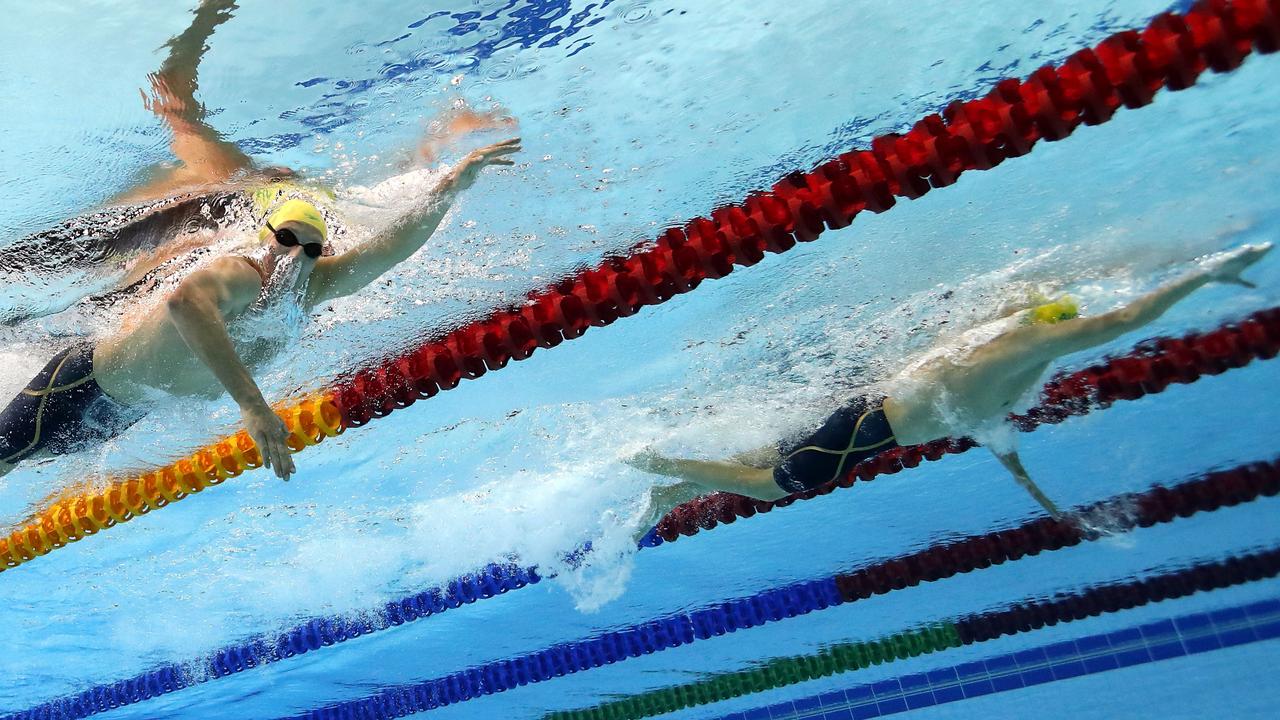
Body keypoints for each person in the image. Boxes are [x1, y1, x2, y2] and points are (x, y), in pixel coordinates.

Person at [0, 1, 521, 480]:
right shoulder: (241, 267)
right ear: (266, 231)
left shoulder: (309, 284)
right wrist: (252, 405)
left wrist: (452, 186)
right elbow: (185, 301)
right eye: (290, 239)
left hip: (125, 410)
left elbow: (390, 247)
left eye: (313, 248)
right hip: (77, 388)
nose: (298, 256)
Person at [629, 243, 1272, 521]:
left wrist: (1037, 493)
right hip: (867, 433)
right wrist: (1208, 275)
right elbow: (1130, 317)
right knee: (767, 487)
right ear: (1050, 326)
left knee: (762, 460)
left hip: (866, 416)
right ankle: (654, 464)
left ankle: (671, 489)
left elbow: (995, 431)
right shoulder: (1033, 347)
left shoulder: (1007, 360)